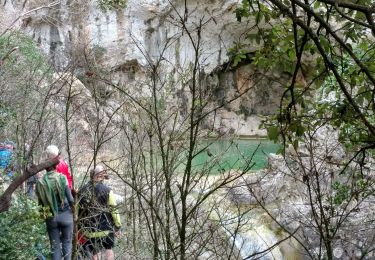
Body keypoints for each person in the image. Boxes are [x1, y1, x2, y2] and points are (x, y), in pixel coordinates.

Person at [78, 165, 122, 260]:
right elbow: (114, 210)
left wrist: (80, 228)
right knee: (109, 249)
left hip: (89, 230)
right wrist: (118, 226)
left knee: (94, 252)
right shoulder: (107, 191)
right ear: (100, 176)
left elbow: (78, 212)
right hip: (106, 229)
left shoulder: (81, 191)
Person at [35, 158, 74, 260]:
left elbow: (41, 203)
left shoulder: (40, 182)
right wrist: (75, 213)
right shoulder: (62, 178)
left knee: (55, 245)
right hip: (66, 216)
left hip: (51, 217)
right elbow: (70, 199)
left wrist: (45, 217)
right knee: (67, 243)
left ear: (45, 168)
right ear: (56, 166)